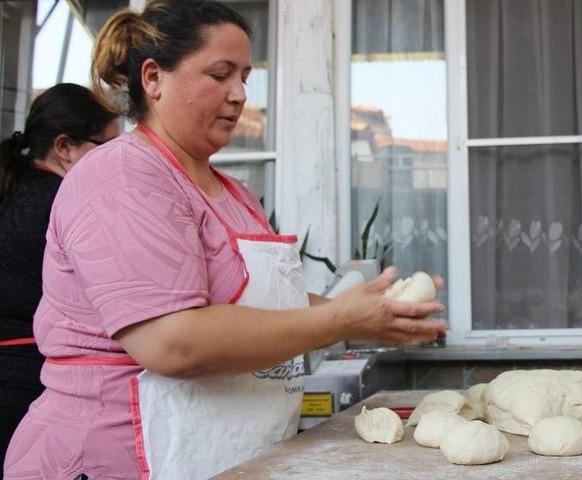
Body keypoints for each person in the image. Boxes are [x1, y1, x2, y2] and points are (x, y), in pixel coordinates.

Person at [3, 1, 446, 479]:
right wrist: (339, 319)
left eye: (245, 78)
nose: (239, 95)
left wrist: (370, 316)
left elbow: (273, 307)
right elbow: (172, 343)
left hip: (223, 458)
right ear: (153, 78)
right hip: (114, 459)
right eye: (220, 75)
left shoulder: (234, 194)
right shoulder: (120, 177)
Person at [0, 83, 119, 477]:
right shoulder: (63, 202)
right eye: (105, 148)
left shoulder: (12, 188)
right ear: (64, 147)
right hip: (25, 385)